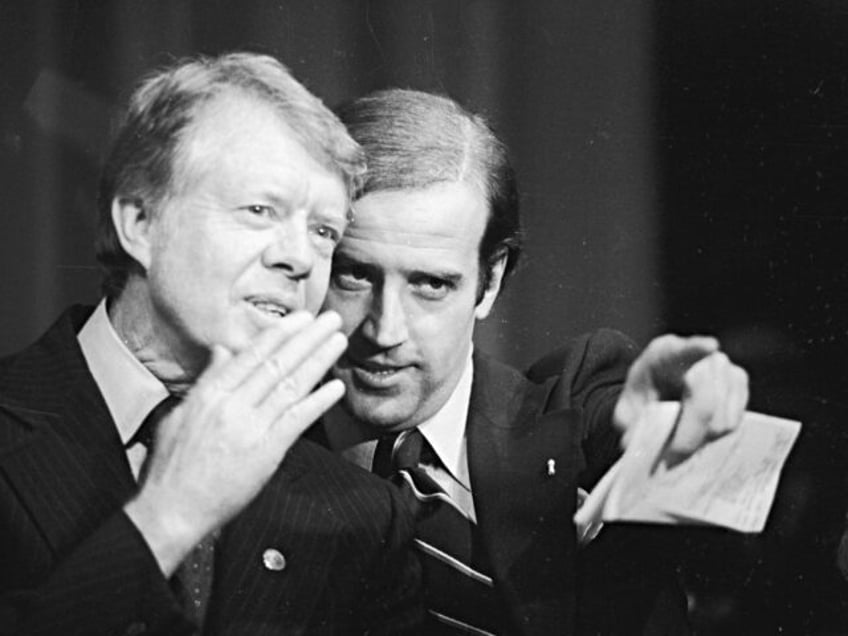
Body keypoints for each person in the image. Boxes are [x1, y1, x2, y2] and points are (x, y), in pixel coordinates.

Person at [0, 54, 423, 636]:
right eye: (259, 210)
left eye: (323, 231)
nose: (299, 258)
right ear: (141, 225)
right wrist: (166, 517)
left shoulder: (365, 516)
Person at [315, 88, 749, 635]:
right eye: (353, 274)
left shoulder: (574, 406)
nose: (385, 330)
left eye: (430, 284)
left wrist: (694, 438)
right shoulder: (240, 455)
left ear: (490, 281)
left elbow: (732, 533)